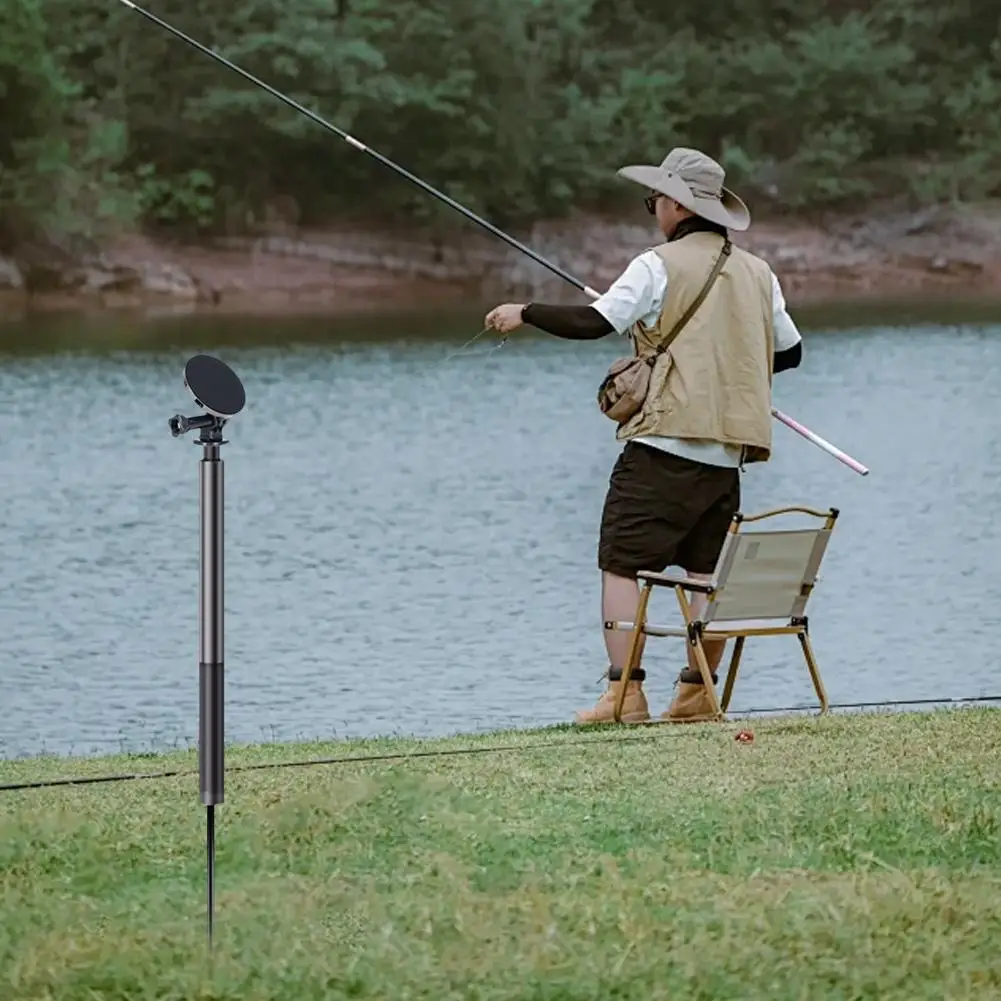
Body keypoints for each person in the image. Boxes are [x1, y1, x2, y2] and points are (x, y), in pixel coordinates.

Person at [484, 146, 804, 724]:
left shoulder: (657, 264)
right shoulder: (759, 273)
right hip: (727, 457)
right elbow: (790, 353)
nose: (653, 208)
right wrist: (719, 360)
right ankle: (696, 695)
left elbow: (594, 323)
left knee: (622, 564)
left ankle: (624, 695)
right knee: (705, 574)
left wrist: (525, 311)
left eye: (654, 199)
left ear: (678, 205)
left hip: (661, 446)